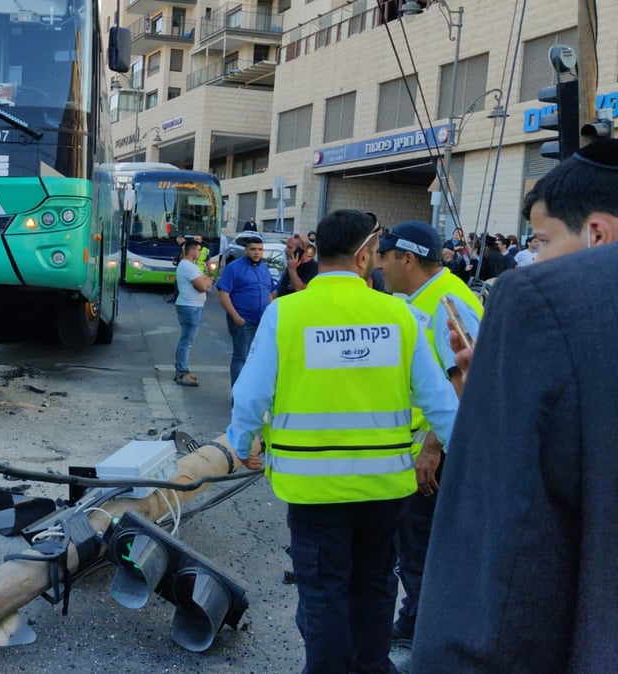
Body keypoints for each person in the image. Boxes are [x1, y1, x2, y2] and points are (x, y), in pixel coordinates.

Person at [412, 139, 618, 672]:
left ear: (597, 234)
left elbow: (508, 559)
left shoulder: (542, 300)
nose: (535, 258)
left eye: (543, 241)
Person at [226, 209, 460, 674]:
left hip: (311, 488)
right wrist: (466, 459)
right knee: (375, 584)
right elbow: (439, 400)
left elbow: (251, 394)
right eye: (375, 251)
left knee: (323, 589)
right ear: (362, 255)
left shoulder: (286, 313)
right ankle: (370, 666)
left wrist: (240, 443)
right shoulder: (399, 314)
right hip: (383, 488)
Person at [373, 221, 483, 643]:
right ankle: (423, 619)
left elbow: (465, 381)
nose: (380, 265)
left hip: (439, 446)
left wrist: (433, 448)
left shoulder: (447, 301)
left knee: (419, 543)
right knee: (415, 541)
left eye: (385, 256)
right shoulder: (423, 298)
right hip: (429, 440)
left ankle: (424, 625)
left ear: (407, 259)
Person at [216, 233, 272, 386]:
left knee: (255, 358)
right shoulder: (234, 268)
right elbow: (223, 294)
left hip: (261, 321)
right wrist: (236, 317)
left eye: (260, 249)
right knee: (241, 357)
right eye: (253, 249)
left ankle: (249, 393)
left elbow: (270, 293)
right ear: (246, 250)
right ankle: (238, 397)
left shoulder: (264, 269)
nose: (257, 252)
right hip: (242, 320)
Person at [173, 240, 212, 387]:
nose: (200, 253)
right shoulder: (187, 266)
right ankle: (181, 373)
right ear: (191, 251)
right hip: (190, 306)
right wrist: (207, 281)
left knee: (186, 340)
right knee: (186, 341)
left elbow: (205, 281)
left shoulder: (191, 266)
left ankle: (183, 370)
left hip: (193, 305)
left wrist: (207, 280)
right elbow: (203, 286)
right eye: (199, 250)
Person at [273, 233, 318, 299]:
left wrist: (292, 270)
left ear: (299, 251)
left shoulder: (314, 267)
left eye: (289, 247)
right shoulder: (292, 264)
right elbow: (281, 290)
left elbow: (300, 290)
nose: (285, 250)